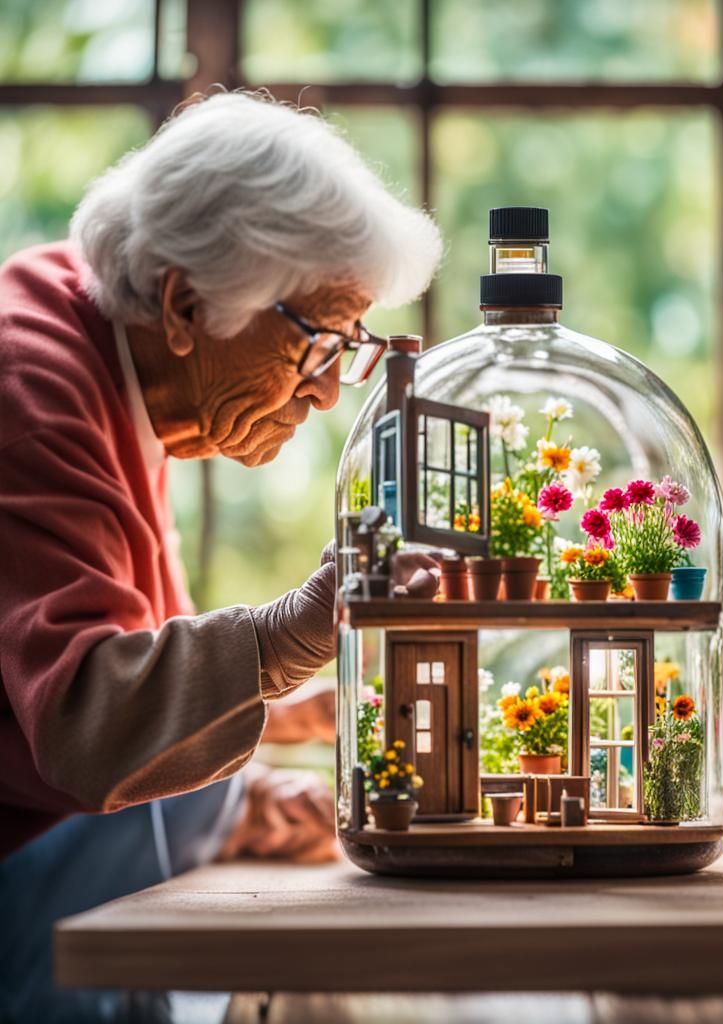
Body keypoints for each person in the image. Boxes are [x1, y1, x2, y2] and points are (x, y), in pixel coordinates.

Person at [0, 91, 442, 1021]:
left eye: (349, 347)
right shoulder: (28, 382)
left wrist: (242, 767)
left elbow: (73, 656)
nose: (327, 395)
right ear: (183, 301)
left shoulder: (105, 342)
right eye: (317, 342)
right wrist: (296, 631)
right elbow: (87, 716)